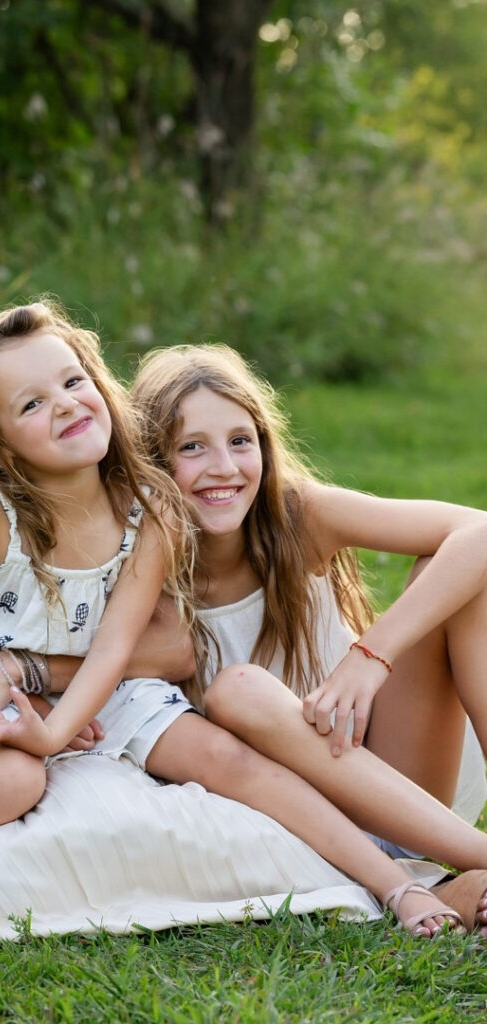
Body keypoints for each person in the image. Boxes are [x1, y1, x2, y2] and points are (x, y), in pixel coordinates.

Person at [0, 302, 470, 936]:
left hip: (156, 698)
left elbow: (113, 651)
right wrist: (25, 706)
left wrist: (57, 732)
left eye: (74, 382)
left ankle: (401, 883)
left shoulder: (155, 511)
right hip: (2, 685)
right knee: (17, 777)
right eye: (31, 403)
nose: (65, 404)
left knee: (226, 747)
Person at [130, 342, 487, 932]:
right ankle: (456, 877)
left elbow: (478, 532)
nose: (223, 467)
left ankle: (446, 866)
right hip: (291, 821)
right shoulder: (140, 567)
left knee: (453, 576)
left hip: (401, 785)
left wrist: (370, 656)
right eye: (191, 447)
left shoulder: (296, 514)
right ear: (151, 462)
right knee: (239, 690)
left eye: (241, 441)